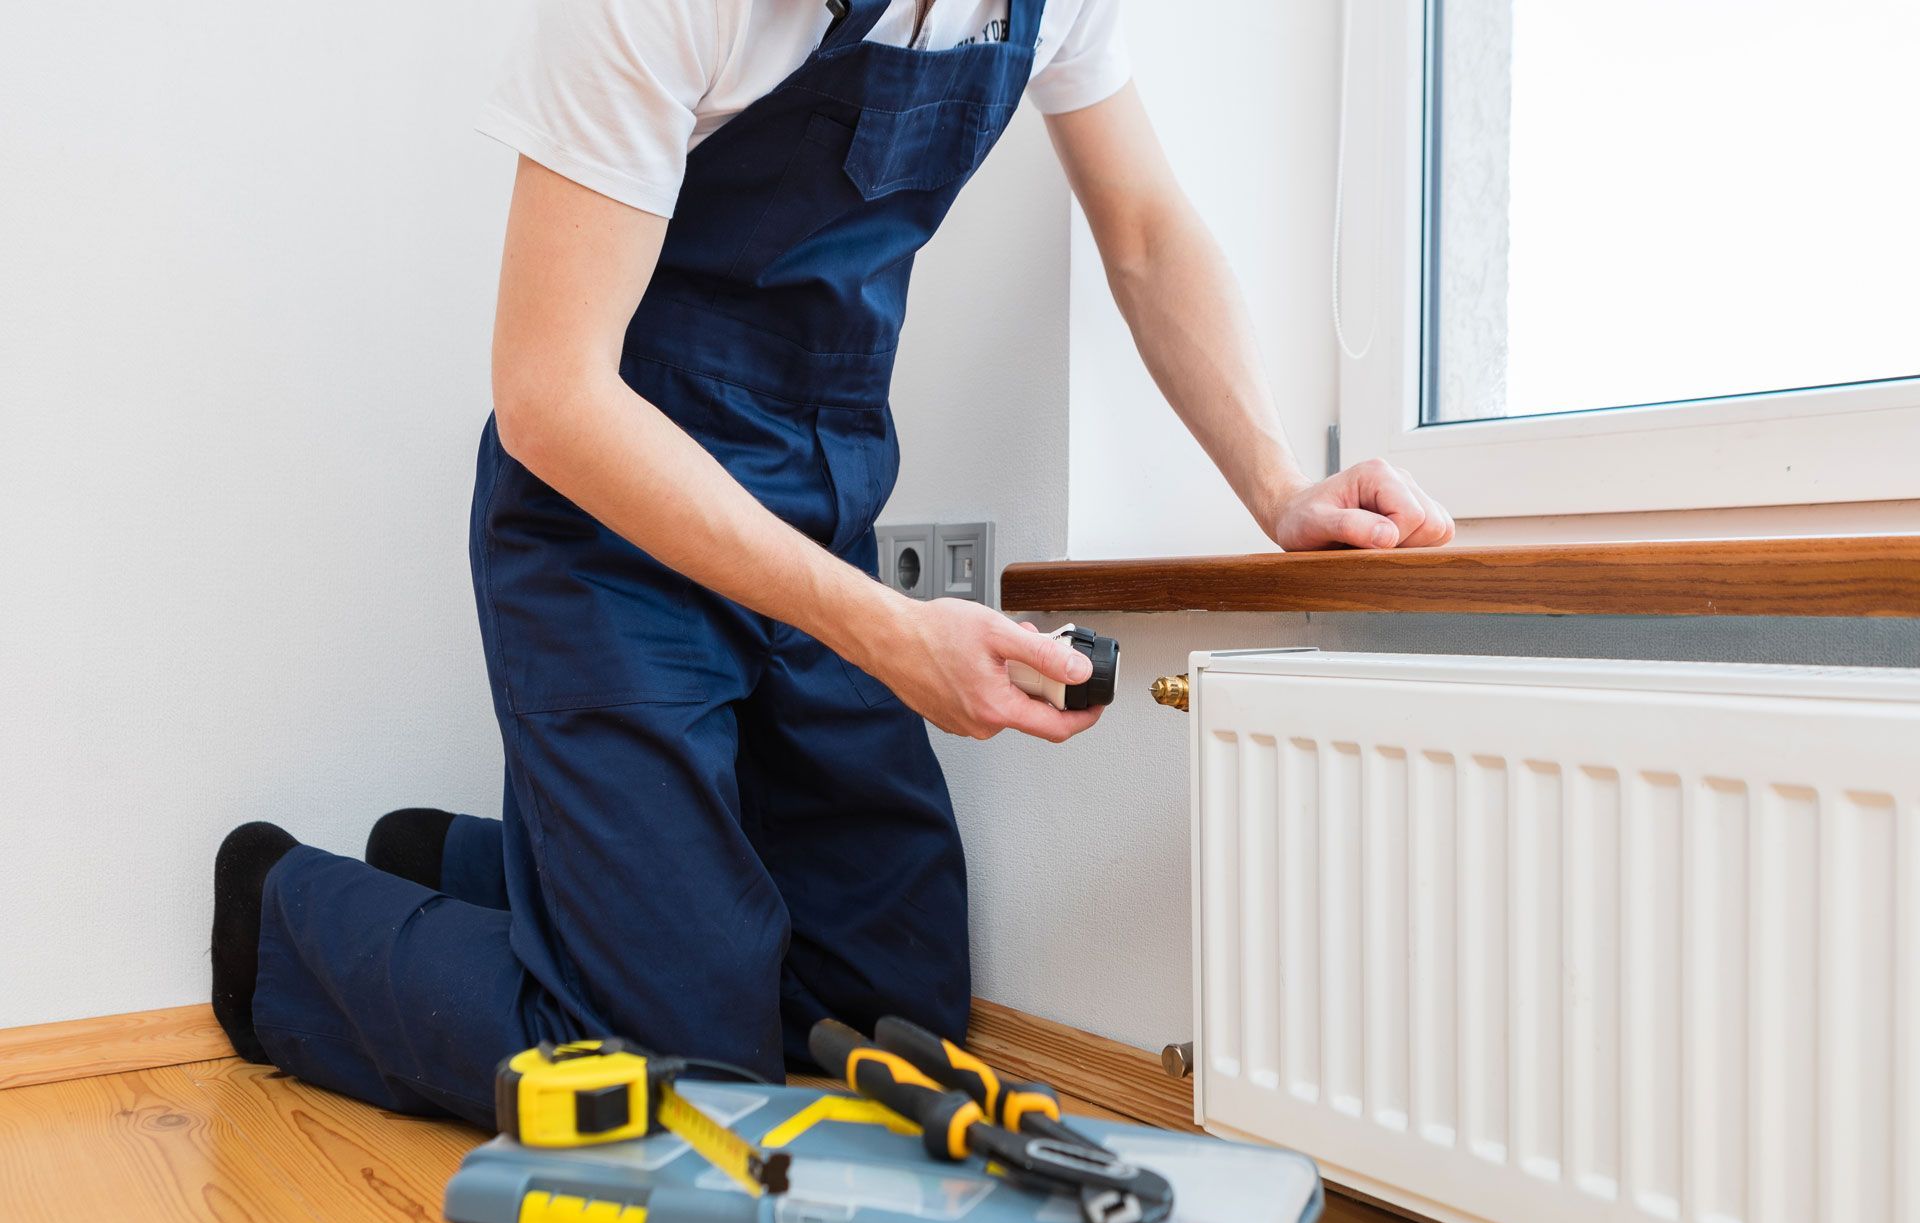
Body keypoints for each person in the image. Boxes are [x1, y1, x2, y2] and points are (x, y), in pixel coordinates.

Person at [210, 0, 1454, 1128]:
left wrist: (1281, 486)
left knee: (899, 995)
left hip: (818, 526)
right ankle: (284, 916)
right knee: (680, 1069)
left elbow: (1144, 230)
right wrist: (886, 634)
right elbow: (549, 396)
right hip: (605, 543)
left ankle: (480, 868)